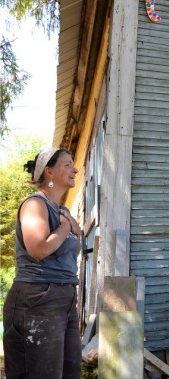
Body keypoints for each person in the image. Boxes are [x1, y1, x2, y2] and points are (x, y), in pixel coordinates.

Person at [2, 148, 82, 379]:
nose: (75, 169)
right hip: (38, 296)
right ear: (49, 171)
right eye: (67, 164)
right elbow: (39, 249)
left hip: (65, 296)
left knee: (69, 372)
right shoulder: (35, 205)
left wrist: (69, 225)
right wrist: (67, 227)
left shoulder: (62, 211)